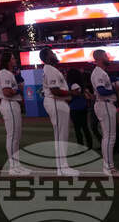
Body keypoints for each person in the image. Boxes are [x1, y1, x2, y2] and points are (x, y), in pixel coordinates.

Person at [40, 47, 77, 177]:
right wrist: (72, 92)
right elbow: (55, 90)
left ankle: (62, 166)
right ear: (47, 57)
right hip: (55, 101)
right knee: (61, 135)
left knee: (61, 135)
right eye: (51, 53)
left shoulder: (51, 69)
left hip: (58, 102)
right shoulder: (49, 69)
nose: (54, 54)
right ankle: (62, 167)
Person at [90, 50, 119, 177]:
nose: (108, 57)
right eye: (106, 55)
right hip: (104, 103)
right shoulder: (98, 72)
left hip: (105, 104)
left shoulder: (101, 72)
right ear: (100, 58)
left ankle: (108, 166)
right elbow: (101, 91)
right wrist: (114, 88)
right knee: (109, 137)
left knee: (108, 136)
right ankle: (109, 167)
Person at [0, 51, 31, 176]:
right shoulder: (4, 73)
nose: (15, 59)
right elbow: (7, 92)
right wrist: (18, 89)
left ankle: (16, 165)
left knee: (16, 136)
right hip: (9, 103)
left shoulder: (10, 73)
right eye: (12, 58)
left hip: (12, 104)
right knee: (12, 137)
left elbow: (17, 87)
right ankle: (12, 167)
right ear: (7, 61)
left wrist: (18, 84)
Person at [67, 69, 93, 150]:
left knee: (78, 129)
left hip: (75, 108)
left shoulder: (72, 84)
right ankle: (89, 145)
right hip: (83, 107)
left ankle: (80, 146)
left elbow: (71, 97)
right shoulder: (81, 84)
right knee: (85, 127)